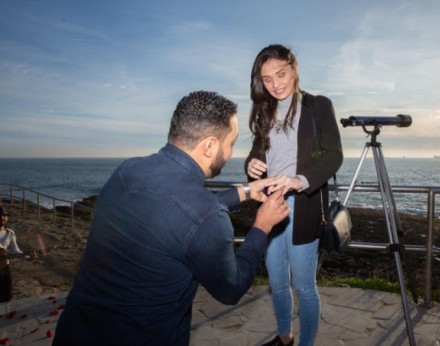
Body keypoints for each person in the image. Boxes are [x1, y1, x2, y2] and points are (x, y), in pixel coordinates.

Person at [53, 91, 291, 345]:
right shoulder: (205, 216)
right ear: (210, 145)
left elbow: (177, 215)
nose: (232, 152)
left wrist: (244, 192)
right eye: (231, 143)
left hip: (76, 331)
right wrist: (261, 226)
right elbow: (231, 288)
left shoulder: (127, 170)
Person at [245, 44, 343, 346]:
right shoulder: (264, 110)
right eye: (267, 79)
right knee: (276, 283)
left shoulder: (318, 106)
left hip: (304, 205)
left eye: (281, 74)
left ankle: (306, 343)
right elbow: (258, 154)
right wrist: (251, 164)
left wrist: (300, 181)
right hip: (270, 205)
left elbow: (333, 156)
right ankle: (285, 337)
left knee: (304, 285)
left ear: (294, 68)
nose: (275, 84)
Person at [0, 206, 36, 302]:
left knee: (6, 297)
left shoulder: (10, 233)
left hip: (4, 269)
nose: (2, 218)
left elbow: (15, 251)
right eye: (0, 215)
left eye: (4, 215)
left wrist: (28, 257)